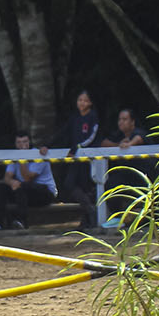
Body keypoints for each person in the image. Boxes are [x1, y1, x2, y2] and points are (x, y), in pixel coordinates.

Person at [0, 132, 57, 229]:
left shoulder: (39, 154)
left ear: (29, 142)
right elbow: (7, 177)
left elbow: (27, 178)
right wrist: (12, 182)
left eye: (25, 142)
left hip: (44, 193)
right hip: (23, 192)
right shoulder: (15, 155)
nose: (22, 145)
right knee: (0, 188)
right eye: (19, 142)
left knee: (23, 186)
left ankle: (21, 221)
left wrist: (22, 158)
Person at [99, 107, 151, 224]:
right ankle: (117, 217)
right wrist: (118, 145)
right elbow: (104, 143)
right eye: (120, 119)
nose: (121, 122)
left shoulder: (138, 132)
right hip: (127, 174)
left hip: (144, 175)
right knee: (111, 183)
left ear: (132, 122)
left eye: (125, 119)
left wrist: (130, 144)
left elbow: (139, 139)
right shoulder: (118, 135)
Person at [61, 89, 102, 228]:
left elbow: (91, 137)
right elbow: (64, 132)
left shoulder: (93, 117)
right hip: (76, 158)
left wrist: (77, 147)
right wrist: (47, 145)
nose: (82, 103)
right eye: (80, 100)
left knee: (85, 187)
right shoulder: (74, 118)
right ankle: (89, 212)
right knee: (70, 184)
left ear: (90, 103)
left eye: (85, 100)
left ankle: (88, 220)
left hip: (87, 158)